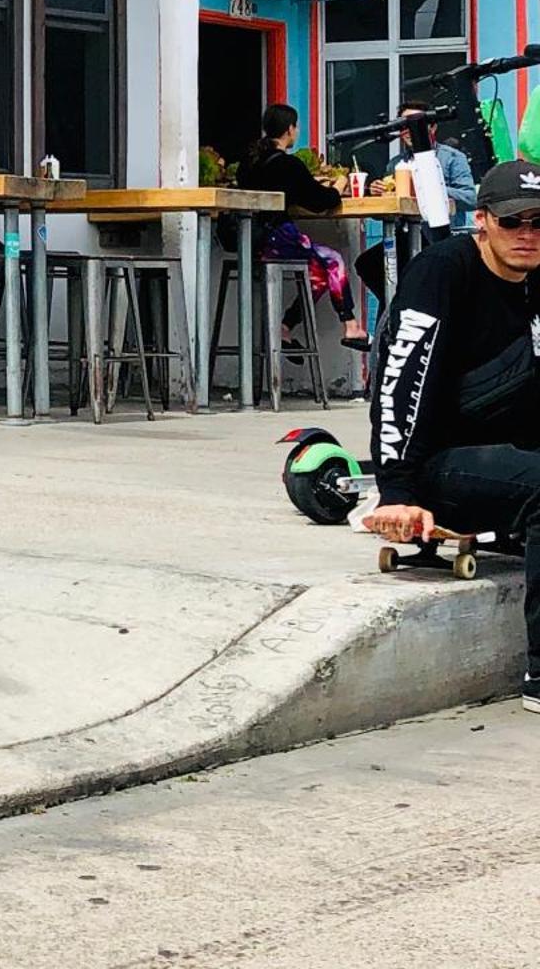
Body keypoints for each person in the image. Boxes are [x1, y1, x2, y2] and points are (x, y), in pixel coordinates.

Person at [361, 161, 540, 712]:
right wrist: (396, 490)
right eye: (514, 223)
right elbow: (401, 384)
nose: (529, 235)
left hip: (513, 451)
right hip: (443, 462)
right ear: (481, 221)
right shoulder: (443, 273)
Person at [235, 104, 369, 347]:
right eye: (296, 127)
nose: (297, 132)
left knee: (318, 273)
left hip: (247, 242)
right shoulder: (288, 165)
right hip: (276, 238)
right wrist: (338, 186)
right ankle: (350, 325)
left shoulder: (249, 163)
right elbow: (321, 202)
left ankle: (285, 327)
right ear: (289, 129)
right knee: (333, 260)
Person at [354, 103, 479, 307]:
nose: (409, 131)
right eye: (404, 126)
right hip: (402, 236)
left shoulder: (452, 157)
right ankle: (396, 306)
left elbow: (470, 197)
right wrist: (380, 193)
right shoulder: (396, 163)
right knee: (368, 264)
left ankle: (403, 304)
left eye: (415, 125)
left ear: (432, 128)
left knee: (414, 270)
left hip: (438, 236)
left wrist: (427, 187)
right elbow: (386, 212)